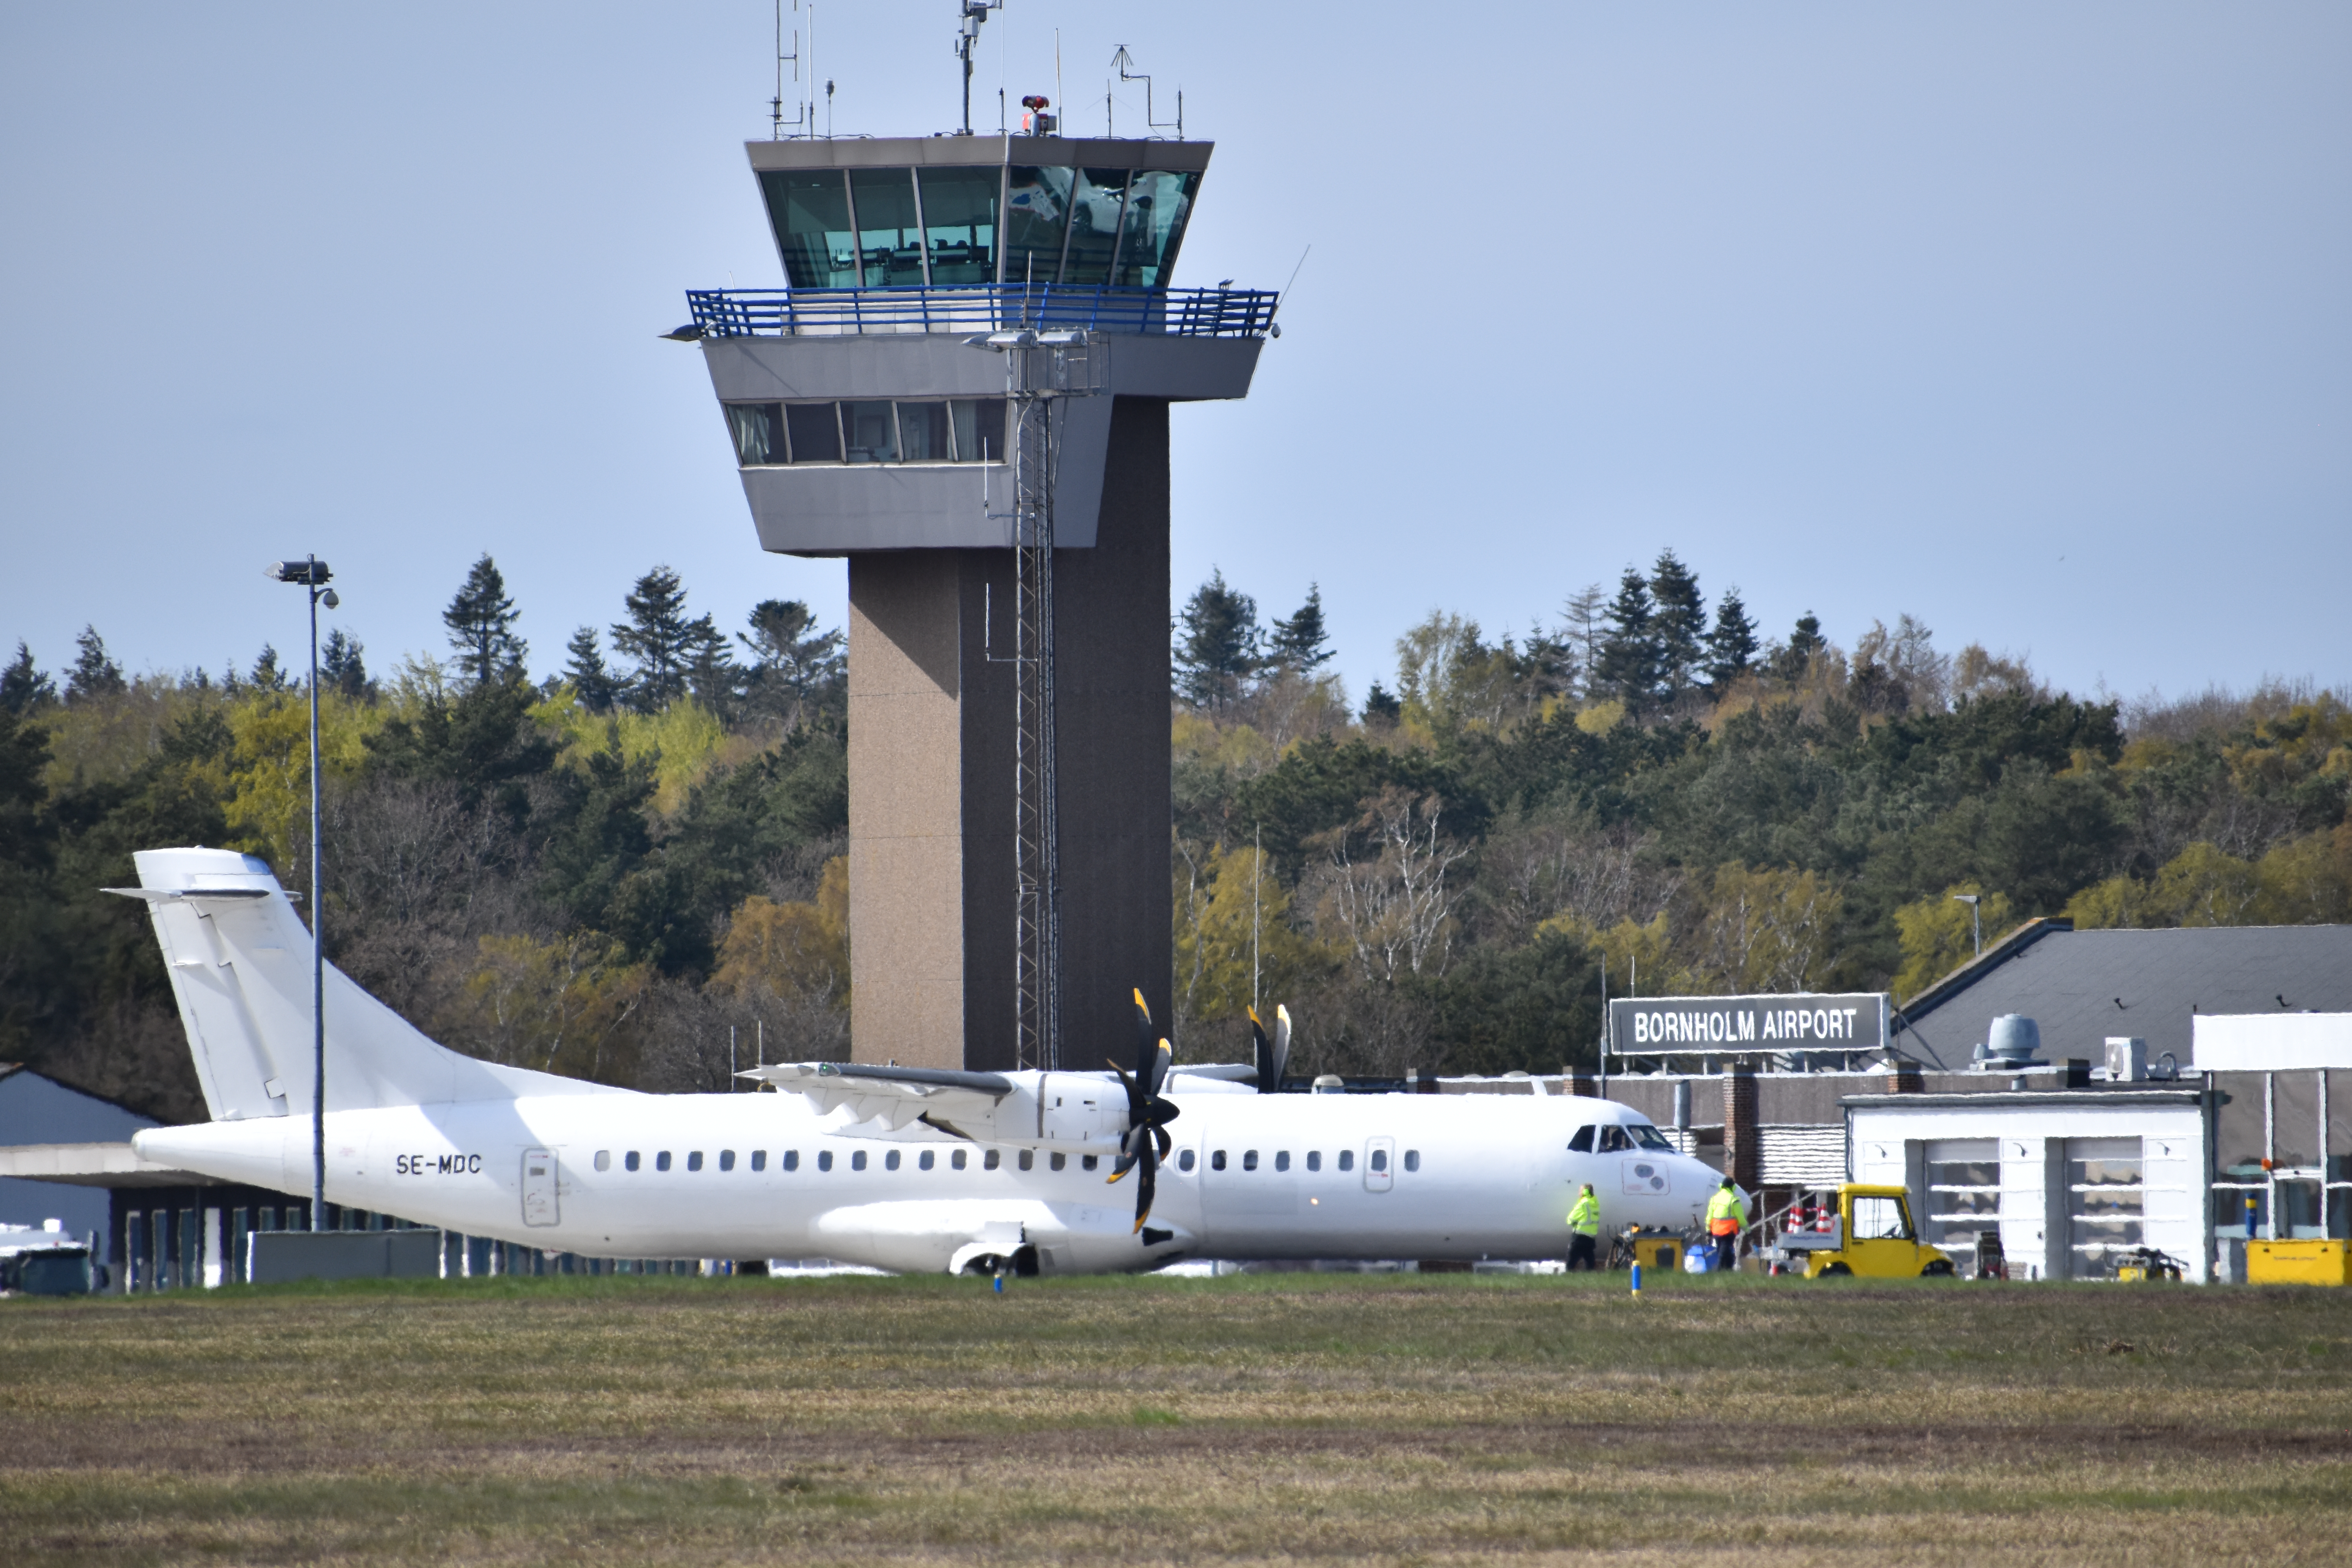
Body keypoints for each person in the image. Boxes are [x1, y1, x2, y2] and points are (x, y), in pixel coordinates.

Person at [1706, 1176, 1748, 1272]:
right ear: (1733, 1187)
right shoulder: (1734, 1200)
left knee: (1723, 1250)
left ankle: (1728, 1270)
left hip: (1716, 1230)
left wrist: (1708, 1230)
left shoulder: (1714, 1199)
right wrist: (1748, 1231)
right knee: (1723, 1252)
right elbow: (1741, 1219)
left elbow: (1709, 1216)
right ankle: (1719, 1271)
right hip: (1729, 1231)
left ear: (1721, 1186)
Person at [1565, 1183, 1601, 1271]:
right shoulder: (1595, 1204)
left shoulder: (1583, 1204)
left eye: (1580, 1191)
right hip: (1591, 1238)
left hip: (1580, 1237)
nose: (1579, 1193)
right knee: (1590, 1262)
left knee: (1571, 1262)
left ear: (1585, 1192)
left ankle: (1569, 1277)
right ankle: (1590, 1277)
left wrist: (1574, 1223)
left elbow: (1570, 1220)